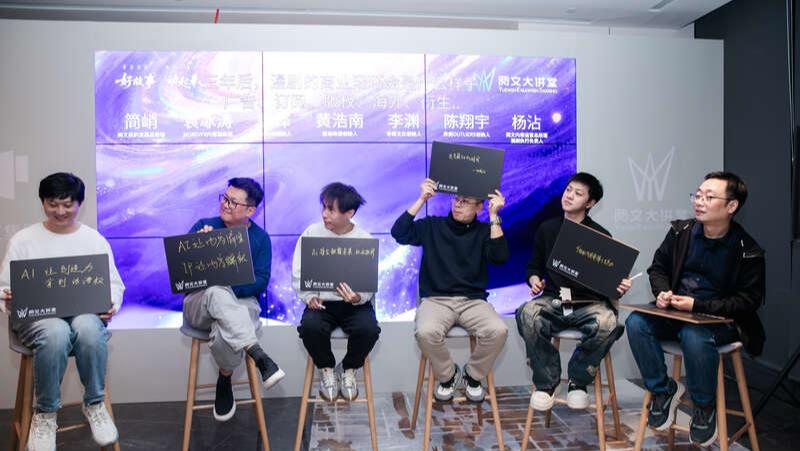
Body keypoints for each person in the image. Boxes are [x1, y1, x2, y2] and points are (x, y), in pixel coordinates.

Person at [625, 171, 765, 446]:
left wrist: (697, 305)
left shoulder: (747, 249)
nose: (699, 202)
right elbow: (658, 268)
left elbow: (748, 300)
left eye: (709, 197)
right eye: (697, 195)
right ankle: (663, 390)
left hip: (719, 321)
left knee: (694, 335)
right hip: (678, 313)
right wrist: (662, 292)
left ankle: (704, 407)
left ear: (731, 206)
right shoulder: (682, 232)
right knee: (636, 323)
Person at [0, 172, 125, 450]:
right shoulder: (23, 240)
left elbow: (114, 284)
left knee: (89, 329)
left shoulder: (93, 240)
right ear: (43, 202)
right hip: (38, 320)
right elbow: (5, 286)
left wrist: (110, 305)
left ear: (79, 203)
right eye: (52, 204)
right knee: (56, 331)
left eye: (67, 204)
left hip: (84, 315)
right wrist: (8, 296)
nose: (60, 211)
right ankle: (45, 414)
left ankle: (94, 403)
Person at [516, 172, 632, 412]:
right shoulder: (548, 229)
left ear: (590, 203)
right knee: (527, 313)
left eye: (578, 193)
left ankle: (578, 381)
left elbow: (611, 283)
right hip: (555, 300)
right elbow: (534, 266)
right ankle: (547, 382)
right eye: (568, 190)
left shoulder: (600, 235)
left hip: (589, 304)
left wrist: (619, 286)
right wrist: (534, 279)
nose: (569, 196)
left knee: (608, 322)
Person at [391, 178, 508, 402]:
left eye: (465, 201)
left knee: (498, 330)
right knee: (425, 332)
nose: (458, 204)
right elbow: (399, 232)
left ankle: (472, 375)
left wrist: (494, 216)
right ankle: (448, 375)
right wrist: (421, 199)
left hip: (473, 301)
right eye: (456, 199)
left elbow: (500, 257)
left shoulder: (485, 231)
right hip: (436, 300)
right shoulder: (432, 226)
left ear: (479, 207)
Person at [182, 177, 284, 422]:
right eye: (225, 198)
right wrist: (199, 246)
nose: (225, 205)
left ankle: (225, 379)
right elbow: (183, 273)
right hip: (199, 303)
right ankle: (258, 354)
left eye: (233, 202)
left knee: (223, 324)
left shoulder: (260, 238)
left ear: (250, 210)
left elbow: (261, 280)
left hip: (241, 303)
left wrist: (226, 287)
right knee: (215, 293)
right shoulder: (204, 226)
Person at [293, 182, 381, 401]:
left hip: (354, 306)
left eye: (331, 210)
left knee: (369, 330)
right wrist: (309, 297)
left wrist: (358, 297)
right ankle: (327, 369)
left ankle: (349, 369)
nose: (325, 214)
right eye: (323, 207)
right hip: (321, 304)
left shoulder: (364, 240)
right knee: (310, 327)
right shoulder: (311, 233)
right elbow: (298, 272)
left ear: (349, 213)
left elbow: (368, 284)